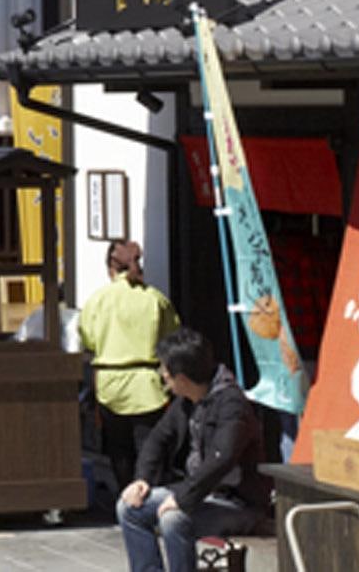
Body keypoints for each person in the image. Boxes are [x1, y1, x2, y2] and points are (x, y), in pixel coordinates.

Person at [119, 328, 270, 572]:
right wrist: (142, 480)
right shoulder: (187, 401)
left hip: (237, 503)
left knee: (173, 519)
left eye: (165, 372)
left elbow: (222, 459)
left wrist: (182, 498)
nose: (162, 376)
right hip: (200, 493)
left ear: (182, 378)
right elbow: (157, 439)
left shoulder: (231, 404)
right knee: (129, 508)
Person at [81, 239, 182, 495]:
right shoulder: (156, 299)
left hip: (110, 384)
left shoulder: (97, 300)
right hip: (147, 383)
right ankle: (150, 497)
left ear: (110, 269)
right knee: (151, 447)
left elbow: (88, 339)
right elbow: (173, 339)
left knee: (119, 449)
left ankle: (126, 498)